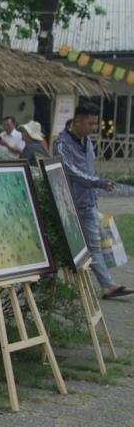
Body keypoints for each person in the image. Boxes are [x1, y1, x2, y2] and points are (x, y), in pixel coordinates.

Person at [56, 102, 132, 300]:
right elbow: (73, 172)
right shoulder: (62, 144)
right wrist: (98, 182)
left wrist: (97, 187)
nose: (94, 128)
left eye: (95, 124)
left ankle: (107, 286)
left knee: (94, 246)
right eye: (90, 124)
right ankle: (61, 287)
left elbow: (89, 170)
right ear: (77, 122)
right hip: (69, 206)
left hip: (88, 204)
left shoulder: (88, 142)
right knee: (64, 249)